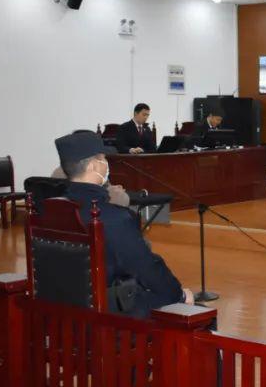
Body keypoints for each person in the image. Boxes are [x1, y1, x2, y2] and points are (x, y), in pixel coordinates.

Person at [54, 131, 193, 317]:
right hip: (108, 317)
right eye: (104, 158)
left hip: (61, 312)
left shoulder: (51, 210)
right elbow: (146, 269)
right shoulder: (113, 218)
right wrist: (180, 295)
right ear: (93, 165)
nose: (107, 164)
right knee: (194, 311)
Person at [51, 130, 130, 207]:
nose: (105, 162)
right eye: (102, 158)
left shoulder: (68, 170)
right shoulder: (62, 174)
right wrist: (114, 194)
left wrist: (112, 188)